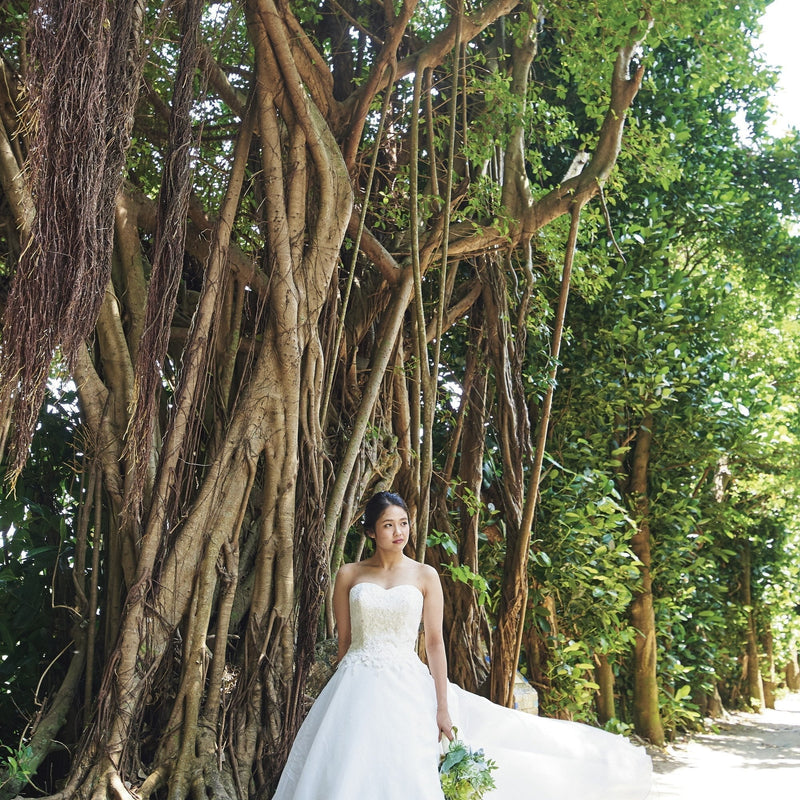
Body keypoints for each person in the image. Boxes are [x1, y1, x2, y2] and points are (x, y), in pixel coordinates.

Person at [272, 491, 653, 800]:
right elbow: (344, 641)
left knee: (403, 766)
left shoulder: (425, 575)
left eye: (403, 523)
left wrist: (441, 707)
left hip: (405, 684)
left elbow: (435, 643)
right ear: (370, 531)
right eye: (388, 525)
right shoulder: (349, 575)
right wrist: (336, 697)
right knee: (346, 764)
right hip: (353, 684)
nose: (398, 532)